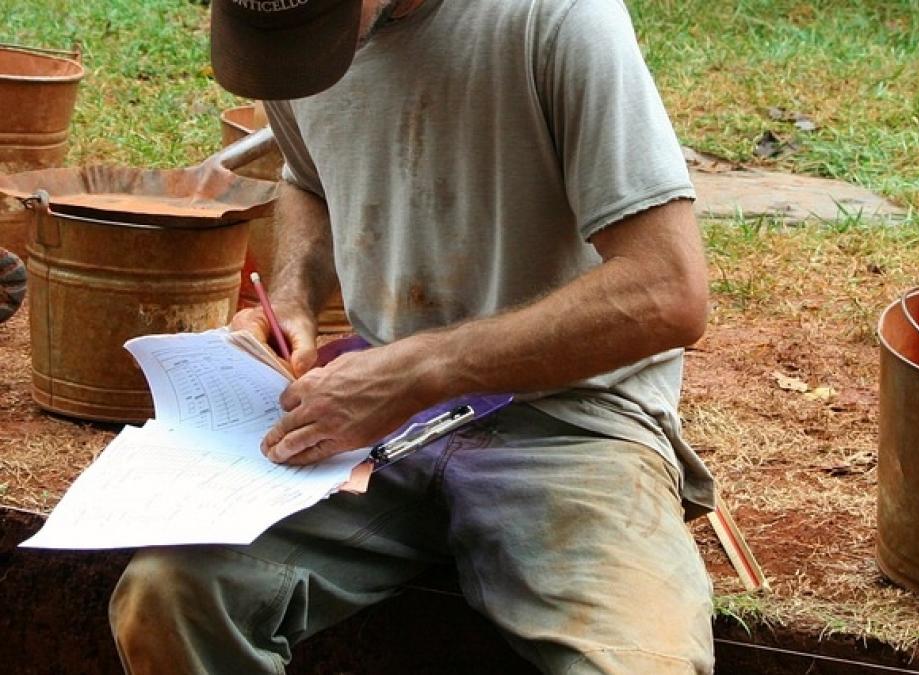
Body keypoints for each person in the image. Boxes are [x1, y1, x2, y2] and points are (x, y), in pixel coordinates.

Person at [109, 0, 717, 672]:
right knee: (165, 597)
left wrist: (417, 370)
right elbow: (308, 178)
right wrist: (293, 297)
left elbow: (667, 290)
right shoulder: (295, 38)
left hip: (570, 421)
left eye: (319, 29)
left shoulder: (556, 17)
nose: (307, 52)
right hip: (368, 432)